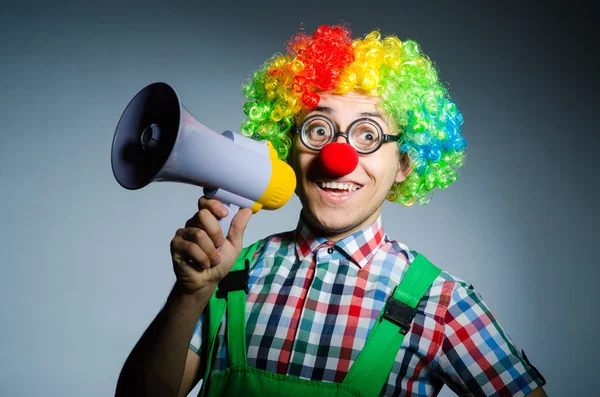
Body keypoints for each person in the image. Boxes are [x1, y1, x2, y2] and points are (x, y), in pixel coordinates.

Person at [116, 25, 547, 397]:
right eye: (318, 129)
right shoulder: (229, 273)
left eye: (368, 134)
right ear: (289, 145)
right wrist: (189, 296)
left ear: (405, 163)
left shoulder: (441, 303)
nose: (338, 156)